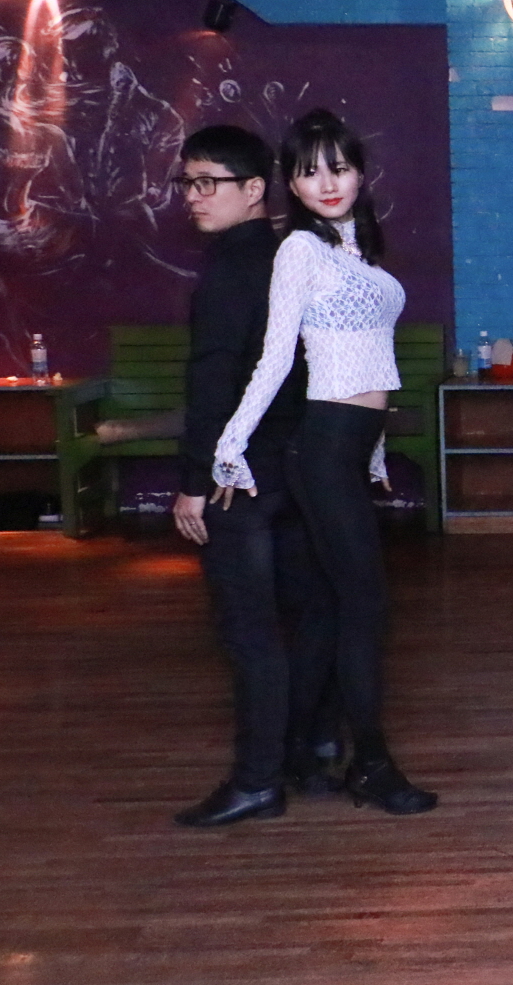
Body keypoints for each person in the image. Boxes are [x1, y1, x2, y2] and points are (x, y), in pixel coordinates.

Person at [213, 109, 437, 815]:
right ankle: (369, 763)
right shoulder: (301, 251)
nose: (327, 182)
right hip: (321, 448)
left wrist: (375, 450)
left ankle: (306, 747)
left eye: (338, 167)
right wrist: (230, 445)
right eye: (309, 172)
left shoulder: (356, 250)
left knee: (339, 608)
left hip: (349, 446)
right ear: (291, 183)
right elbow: (278, 356)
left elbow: (372, 359)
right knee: (364, 606)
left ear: (360, 173)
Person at [156, 125, 334, 827]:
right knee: (311, 614)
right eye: (187, 183)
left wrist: (194, 479)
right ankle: (308, 753)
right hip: (300, 465)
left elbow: (214, 378)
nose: (193, 196)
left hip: (240, 474)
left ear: (255, 188)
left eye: (208, 183)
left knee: (250, 629)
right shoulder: (299, 255)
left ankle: (259, 780)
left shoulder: (232, 267)